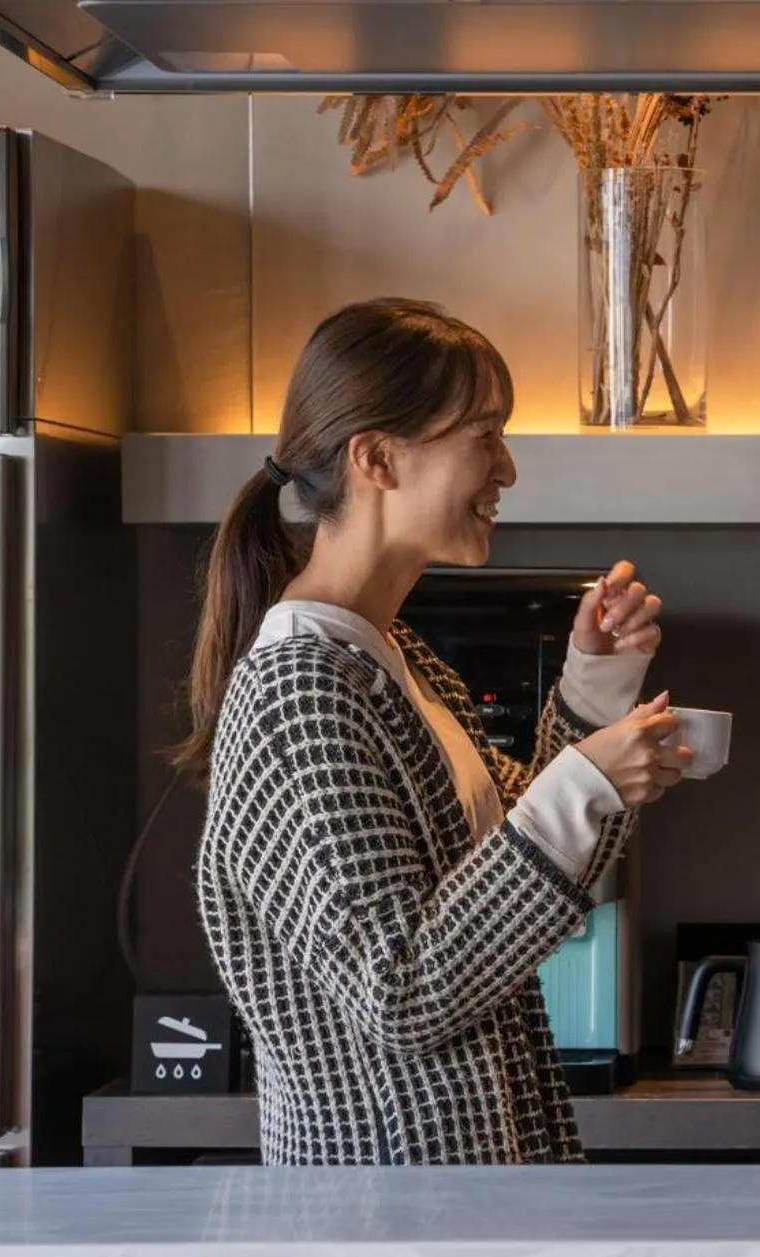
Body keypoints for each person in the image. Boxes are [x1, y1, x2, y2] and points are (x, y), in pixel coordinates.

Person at [172, 298, 689, 1164]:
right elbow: (403, 992)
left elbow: (509, 887)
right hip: (388, 1219)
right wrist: (585, 784)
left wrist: (593, 686)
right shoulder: (301, 691)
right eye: (483, 436)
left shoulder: (388, 656)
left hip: (466, 1201)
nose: (509, 468)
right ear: (376, 457)